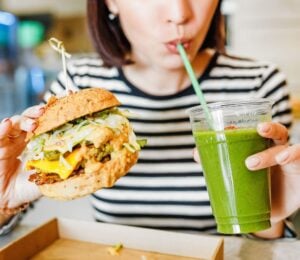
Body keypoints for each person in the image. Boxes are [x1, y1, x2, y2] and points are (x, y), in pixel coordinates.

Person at [0, 0, 299, 239]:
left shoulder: (259, 83)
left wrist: (272, 212)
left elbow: (268, 234)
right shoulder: (78, 83)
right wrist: (7, 200)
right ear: (111, 3)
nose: (179, 13)